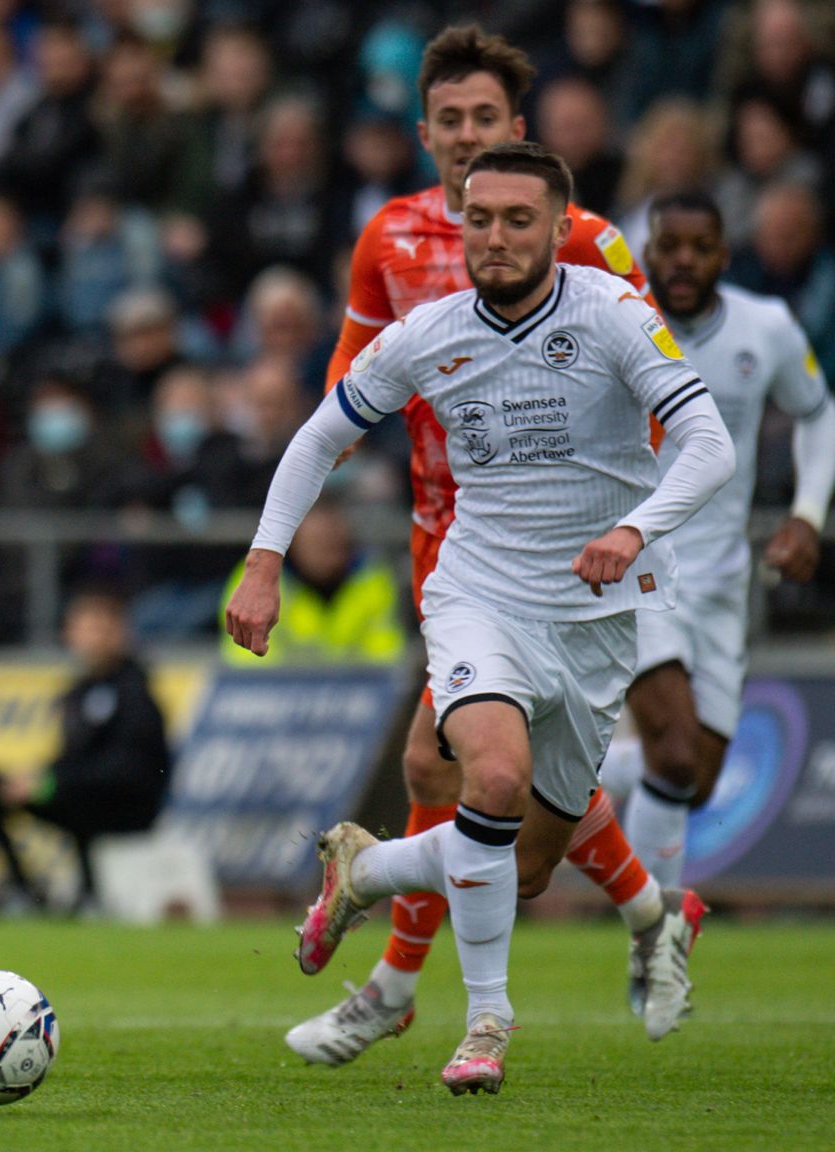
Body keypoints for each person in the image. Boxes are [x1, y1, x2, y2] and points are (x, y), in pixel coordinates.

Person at [228, 142, 732, 1095]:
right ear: (461, 223)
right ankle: (487, 1023)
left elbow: (709, 445)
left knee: (527, 866)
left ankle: (367, 873)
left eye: (518, 220)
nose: (496, 238)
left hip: (595, 614)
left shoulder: (615, 313)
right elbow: (319, 436)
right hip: (478, 597)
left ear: (557, 228)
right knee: (489, 778)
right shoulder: (428, 331)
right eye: (480, 219)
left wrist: (634, 528)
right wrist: (264, 561)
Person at [284, 26, 678, 1067]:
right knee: (456, 763)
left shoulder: (585, 242)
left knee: (505, 809)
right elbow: (343, 388)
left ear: (518, 130)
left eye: (483, 121)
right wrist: (287, 521)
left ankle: (630, 917)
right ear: (425, 135)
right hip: (450, 539)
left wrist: (629, 520)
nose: (465, 139)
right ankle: (404, 989)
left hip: (579, 549)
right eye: (447, 122)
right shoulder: (389, 239)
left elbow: (656, 391)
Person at [622, 192, 835, 900]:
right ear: (647, 251)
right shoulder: (617, 324)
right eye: (669, 245)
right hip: (637, 572)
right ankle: (656, 944)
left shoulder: (765, 327)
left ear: (724, 252)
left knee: (696, 776)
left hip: (719, 584)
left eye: (699, 246)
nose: (682, 260)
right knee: (677, 754)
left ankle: (554, 775)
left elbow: (817, 412)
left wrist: (807, 513)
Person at [0, 588, 169, 916]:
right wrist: (36, 776)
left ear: (120, 634)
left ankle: (91, 894)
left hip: (130, 806)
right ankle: (23, 889)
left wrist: (54, 781)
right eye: (84, 628)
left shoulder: (135, 691)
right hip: (82, 791)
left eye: (101, 629)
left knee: (71, 792)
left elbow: (126, 768)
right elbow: (73, 756)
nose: (92, 639)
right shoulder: (78, 691)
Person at [217, 496, 403, 667]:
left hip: (355, 694)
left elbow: (385, 655)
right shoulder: (257, 577)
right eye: (318, 542)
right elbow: (245, 660)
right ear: (293, 543)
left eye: (335, 542)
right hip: (278, 695)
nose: (330, 549)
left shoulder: (371, 577)